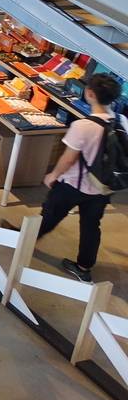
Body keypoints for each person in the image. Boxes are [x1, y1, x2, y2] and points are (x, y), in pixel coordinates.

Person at [37, 74, 126, 282]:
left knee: (50, 214)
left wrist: (53, 175)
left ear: (90, 94)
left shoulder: (83, 126)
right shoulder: (122, 121)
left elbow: (68, 159)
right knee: (91, 226)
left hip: (73, 185)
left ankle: (21, 239)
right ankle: (83, 267)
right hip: (102, 188)